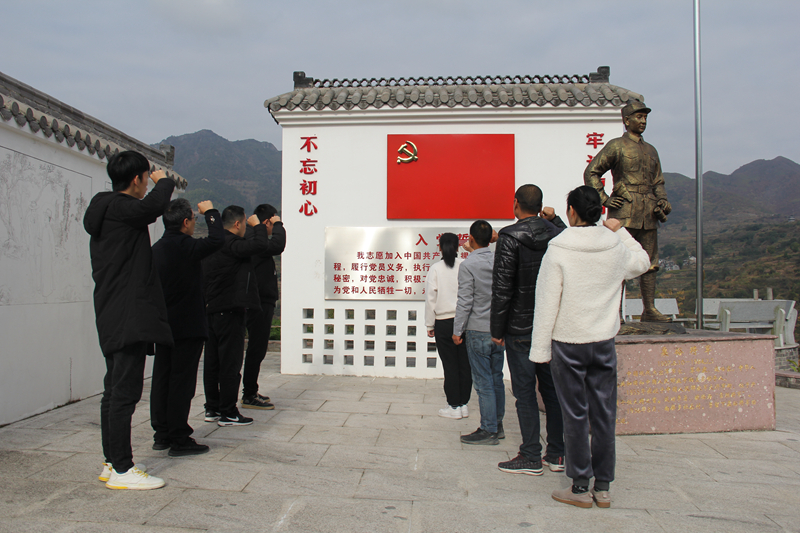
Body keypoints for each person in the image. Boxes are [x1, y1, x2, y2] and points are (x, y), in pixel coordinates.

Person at [531, 186, 650, 508]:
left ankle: (580, 486)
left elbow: (547, 304)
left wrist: (540, 351)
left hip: (569, 342)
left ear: (571, 211)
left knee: (575, 415)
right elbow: (642, 262)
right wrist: (620, 231)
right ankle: (604, 486)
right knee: (604, 414)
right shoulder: (614, 246)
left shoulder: (559, 248)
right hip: (603, 341)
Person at [83, 150, 174, 490]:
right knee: (124, 393)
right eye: (146, 178)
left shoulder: (106, 209)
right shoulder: (121, 208)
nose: (147, 184)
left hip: (112, 311)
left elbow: (146, 209)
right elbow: (152, 207)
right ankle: (122, 469)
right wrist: (164, 181)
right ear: (137, 179)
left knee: (113, 390)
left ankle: (112, 462)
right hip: (128, 314)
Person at [490, 184, 566, 475]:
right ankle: (557, 454)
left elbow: (502, 287)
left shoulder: (509, 236)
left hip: (519, 326)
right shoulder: (556, 234)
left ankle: (531, 454)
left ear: (515, 204)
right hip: (550, 325)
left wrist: (497, 329)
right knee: (552, 392)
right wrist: (554, 219)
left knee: (524, 393)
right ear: (541, 205)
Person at [584, 99, 672, 322]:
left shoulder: (651, 150)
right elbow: (592, 172)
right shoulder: (616, 146)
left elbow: (658, 181)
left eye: (645, 117)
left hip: (648, 211)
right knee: (618, 261)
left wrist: (662, 200)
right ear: (626, 120)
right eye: (638, 117)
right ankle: (616, 313)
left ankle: (649, 309)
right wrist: (605, 199)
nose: (643, 121)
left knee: (650, 262)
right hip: (624, 210)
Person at [150, 198, 224, 456]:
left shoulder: (156, 249)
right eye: (194, 219)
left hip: (163, 326)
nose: (194, 223)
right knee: (181, 383)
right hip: (188, 326)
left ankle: (161, 433)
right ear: (185, 222)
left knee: (162, 379)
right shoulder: (187, 246)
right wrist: (211, 212)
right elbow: (217, 239)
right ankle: (179, 437)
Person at [203, 205, 273, 427]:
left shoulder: (212, 243)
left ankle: (212, 408)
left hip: (211, 310)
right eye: (244, 223)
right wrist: (258, 226)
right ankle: (228, 412)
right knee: (230, 364)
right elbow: (261, 245)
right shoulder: (232, 244)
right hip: (230, 311)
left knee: (212, 363)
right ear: (237, 224)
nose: (245, 227)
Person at [453, 220, 505, 445]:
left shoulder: (468, 265)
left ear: (471, 238)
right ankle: (498, 425)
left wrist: (457, 330)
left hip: (477, 329)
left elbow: (465, 300)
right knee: (496, 379)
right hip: (498, 330)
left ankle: (488, 429)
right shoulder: (500, 260)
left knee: (483, 383)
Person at [241, 204, 285, 410]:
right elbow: (278, 245)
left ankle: (250, 390)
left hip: (257, 300)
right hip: (258, 302)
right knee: (256, 348)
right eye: (272, 223)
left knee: (255, 349)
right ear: (266, 222)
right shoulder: (255, 240)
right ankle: (249, 394)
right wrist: (280, 225)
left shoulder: (249, 238)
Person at [425, 232, 472, 419]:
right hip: (465, 321)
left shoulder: (435, 269)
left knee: (450, 365)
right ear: (458, 246)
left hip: (443, 323)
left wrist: (429, 324)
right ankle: (464, 404)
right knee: (465, 365)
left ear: (440, 247)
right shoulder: (465, 265)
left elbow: (431, 298)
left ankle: (454, 406)